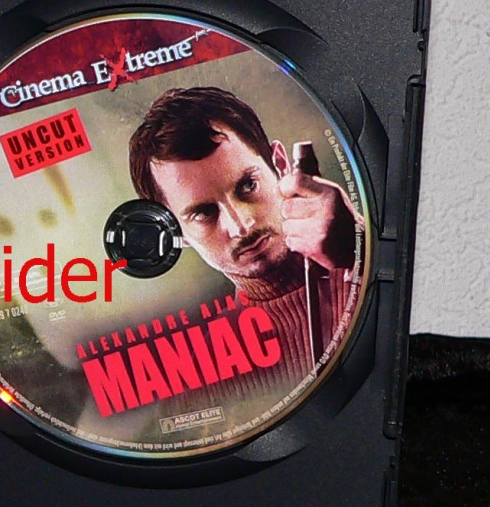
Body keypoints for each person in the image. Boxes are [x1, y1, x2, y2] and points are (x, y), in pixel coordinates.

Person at [128, 86, 364, 385]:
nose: (240, 225)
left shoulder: (364, 255)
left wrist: (362, 251)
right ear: (173, 230)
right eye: (204, 213)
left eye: (248, 186)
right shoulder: (204, 381)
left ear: (280, 164)